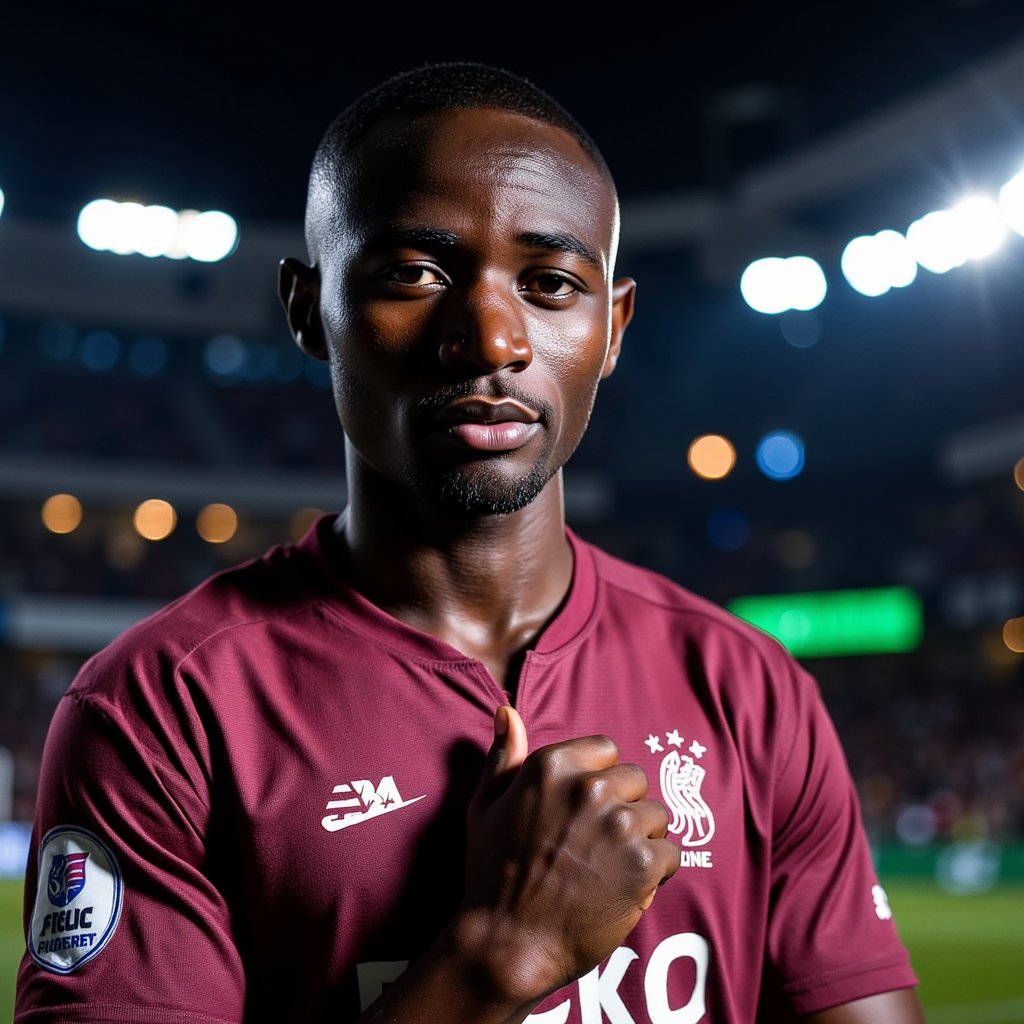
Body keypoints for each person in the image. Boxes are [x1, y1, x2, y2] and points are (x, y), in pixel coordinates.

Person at [15, 61, 924, 1023]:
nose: (491, 336)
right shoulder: (159, 710)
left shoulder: (751, 687)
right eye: (416, 273)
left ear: (610, 330)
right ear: (307, 311)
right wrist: (501, 956)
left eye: (550, 283)